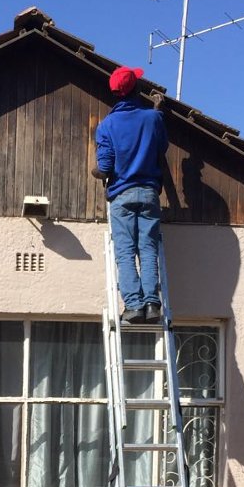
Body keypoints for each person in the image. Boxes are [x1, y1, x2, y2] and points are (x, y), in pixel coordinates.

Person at [93, 66, 169, 325]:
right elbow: (160, 145)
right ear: (136, 89)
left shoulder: (107, 126)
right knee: (147, 248)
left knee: (125, 252)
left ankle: (134, 307)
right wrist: (158, 110)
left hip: (121, 195)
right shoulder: (153, 119)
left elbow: (104, 168)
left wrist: (96, 172)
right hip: (148, 193)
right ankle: (152, 304)